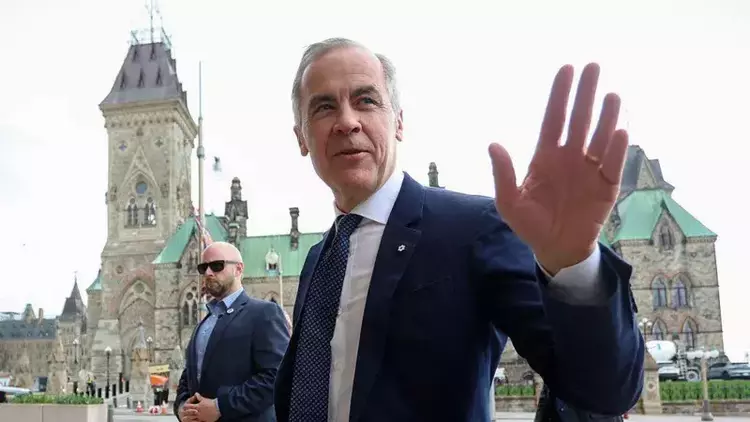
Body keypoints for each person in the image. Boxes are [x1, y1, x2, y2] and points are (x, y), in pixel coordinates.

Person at [273, 38, 645, 422]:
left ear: (398, 122)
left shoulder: (474, 228)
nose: (347, 121)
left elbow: (601, 389)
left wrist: (574, 267)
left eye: (366, 100)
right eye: (324, 107)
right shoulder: (319, 258)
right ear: (302, 137)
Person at [176, 242, 290, 422]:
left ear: (238, 269)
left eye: (217, 265)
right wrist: (182, 407)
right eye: (203, 267)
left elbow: (276, 377)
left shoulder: (264, 313)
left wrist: (220, 406)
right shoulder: (203, 323)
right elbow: (188, 375)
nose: (208, 272)